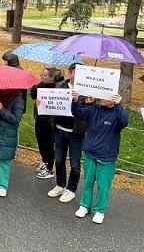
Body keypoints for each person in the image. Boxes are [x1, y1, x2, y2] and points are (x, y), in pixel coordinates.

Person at [72, 91, 128, 224]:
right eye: (102, 95)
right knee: (88, 182)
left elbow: (124, 122)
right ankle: (85, 205)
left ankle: (99, 210)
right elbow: (78, 113)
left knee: (103, 186)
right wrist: (75, 101)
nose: (103, 98)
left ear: (114, 99)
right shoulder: (94, 109)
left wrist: (119, 105)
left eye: (107, 97)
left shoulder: (117, 113)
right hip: (90, 152)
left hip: (106, 156)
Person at [44, 63, 88, 203]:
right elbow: (50, 103)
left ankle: (71, 189)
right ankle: (60, 184)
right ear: (70, 73)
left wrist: (82, 101)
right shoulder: (60, 86)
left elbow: (89, 112)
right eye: (76, 72)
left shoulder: (87, 91)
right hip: (59, 129)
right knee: (59, 159)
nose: (78, 75)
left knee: (75, 162)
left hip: (77, 132)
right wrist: (42, 104)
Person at [30, 67, 62, 179]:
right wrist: (35, 86)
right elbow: (33, 96)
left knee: (49, 144)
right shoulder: (41, 85)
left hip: (50, 121)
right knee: (41, 142)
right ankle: (44, 161)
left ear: (52, 78)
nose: (42, 77)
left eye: (45, 75)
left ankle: (49, 168)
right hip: (40, 118)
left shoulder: (58, 88)